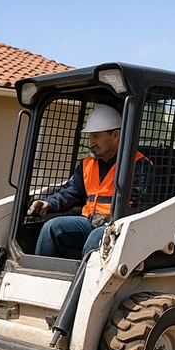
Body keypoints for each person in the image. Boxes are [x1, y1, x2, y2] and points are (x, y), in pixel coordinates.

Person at [28, 104, 150, 258]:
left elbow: (143, 207)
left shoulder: (139, 165)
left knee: (95, 238)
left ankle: (84, 274)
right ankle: (39, 270)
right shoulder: (87, 164)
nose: (91, 142)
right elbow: (70, 192)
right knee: (51, 228)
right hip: (89, 221)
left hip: (119, 228)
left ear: (115, 135)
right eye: (90, 136)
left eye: (96, 136)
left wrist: (112, 220)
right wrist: (48, 203)